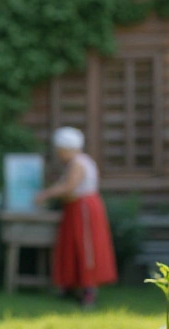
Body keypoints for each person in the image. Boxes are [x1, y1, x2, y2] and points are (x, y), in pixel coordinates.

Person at [34, 127, 117, 308]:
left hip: (83, 210)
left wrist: (45, 194)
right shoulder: (76, 162)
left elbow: (69, 187)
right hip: (74, 209)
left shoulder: (79, 163)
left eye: (60, 150)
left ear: (67, 148)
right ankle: (70, 287)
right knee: (70, 247)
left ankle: (89, 291)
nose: (59, 154)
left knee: (85, 247)